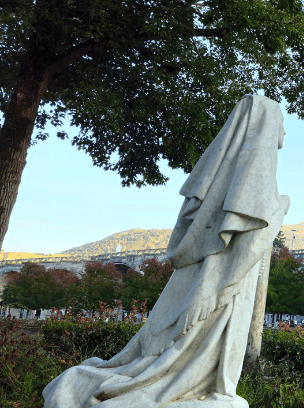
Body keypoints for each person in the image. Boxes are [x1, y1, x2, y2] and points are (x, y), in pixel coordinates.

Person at [44, 96, 290, 408]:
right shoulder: (255, 178)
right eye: (281, 123)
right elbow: (252, 226)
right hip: (227, 285)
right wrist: (281, 207)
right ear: (264, 127)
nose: (284, 131)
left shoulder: (226, 181)